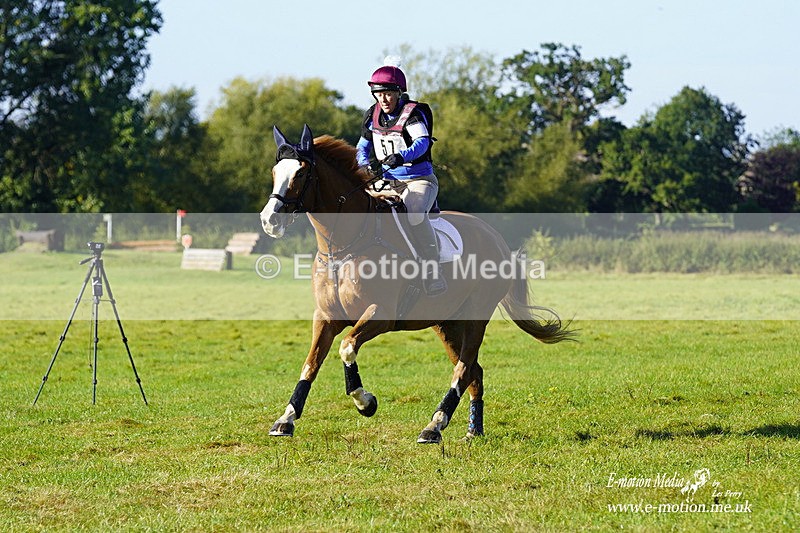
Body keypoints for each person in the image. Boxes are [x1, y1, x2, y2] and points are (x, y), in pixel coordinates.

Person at [355, 62, 447, 297]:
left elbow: (422, 142)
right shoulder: (372, 114)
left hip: (418, 180)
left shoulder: (412, 114)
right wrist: (363, 166)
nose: (383, 99)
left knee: (414, 215)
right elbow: (362, 147)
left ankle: (431, 269)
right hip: (387, 181)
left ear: (399, 93)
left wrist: (401, 156)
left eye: (388, 93)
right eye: (378, 93)